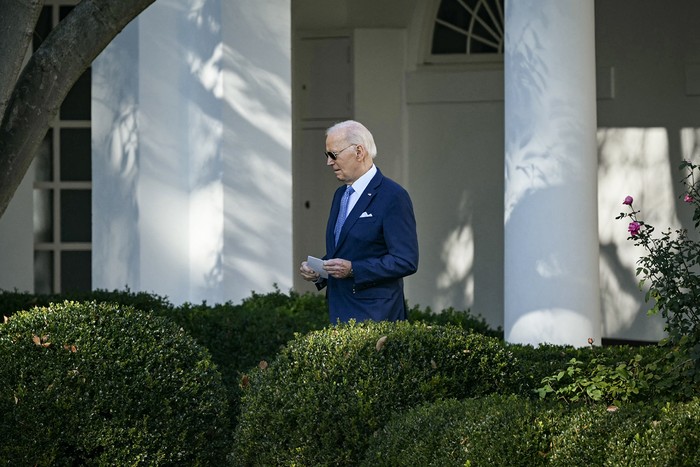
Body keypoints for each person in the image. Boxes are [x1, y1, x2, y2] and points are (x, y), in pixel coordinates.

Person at [299, 120, 419, 323]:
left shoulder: (393, 196)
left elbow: (405, 260)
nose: (329, 162)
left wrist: (354, 269)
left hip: (377, 316)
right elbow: (348, 251)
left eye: (333, 155)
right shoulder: (340, 195)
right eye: (327, 155)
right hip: (340, 311)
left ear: (359, 152)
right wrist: (320, 271)